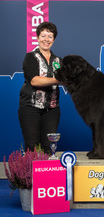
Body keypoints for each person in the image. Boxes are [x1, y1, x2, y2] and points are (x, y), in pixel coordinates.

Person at [18, 21, 63, 153]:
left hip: (52, 110)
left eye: (50, 36)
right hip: (30, 108)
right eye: (43, 36)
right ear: (37, 37)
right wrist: (59, 80)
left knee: (49, 148)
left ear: (54, 39)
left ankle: (47, 174)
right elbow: (34, 81)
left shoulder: (58, 61)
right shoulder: (30, 57)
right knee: (32, 147)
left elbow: (68, 80)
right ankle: (30, 174)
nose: (46, 39)